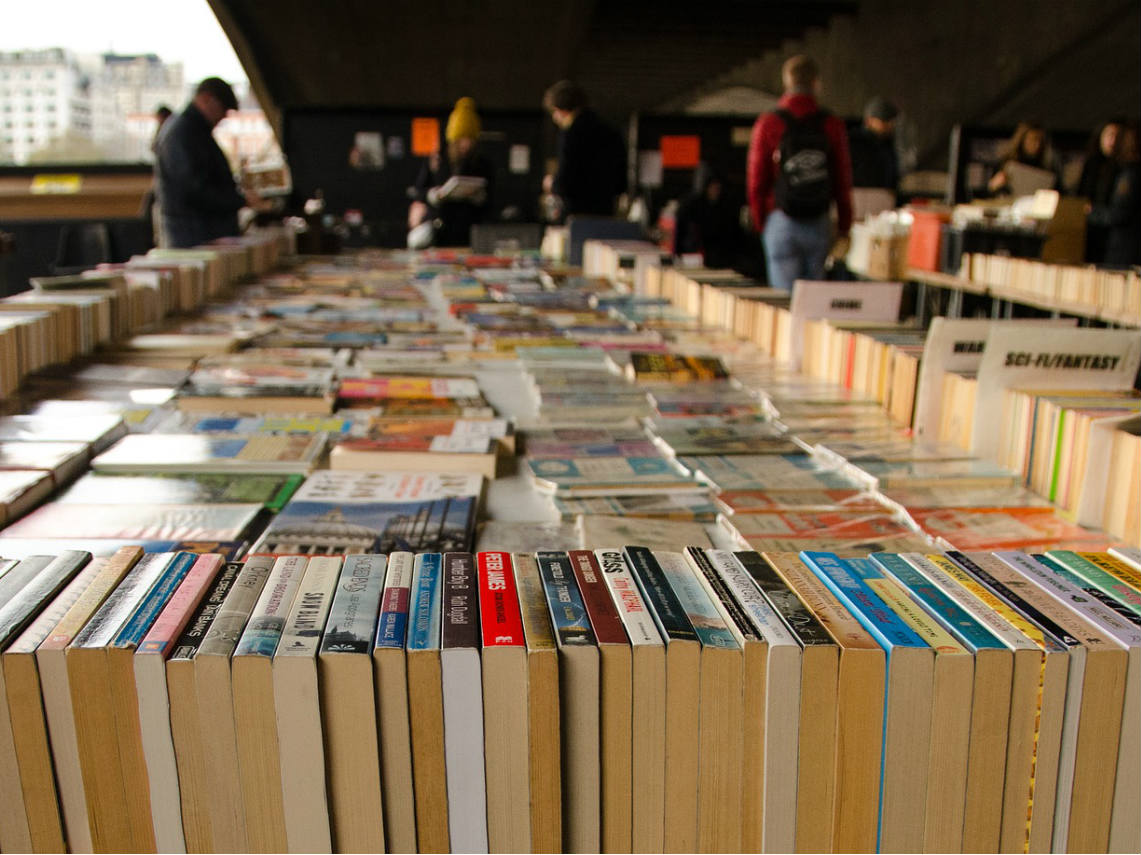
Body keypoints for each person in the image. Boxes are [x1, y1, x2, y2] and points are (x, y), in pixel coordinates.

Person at [746, 55, 853, 291]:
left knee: (784, 305)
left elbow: (756, 179)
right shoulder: (832, 124)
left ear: (786, 82)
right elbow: (842, 179)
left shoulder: (769, 123)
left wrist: (761, 221)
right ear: (816, 83)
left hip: (781, 218)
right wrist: (844, 224)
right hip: (818, 220)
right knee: (812, 302)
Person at [154, 78, 265, 249]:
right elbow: (194, 189)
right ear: (207, 99)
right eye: (223, 110)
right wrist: (238, 201)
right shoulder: (182, 133)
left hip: (200, 234)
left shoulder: (193, 130)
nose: (222, 118)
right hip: (194, 238)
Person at [408, 97, 495, 248]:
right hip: (439, 228)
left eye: (470, 139)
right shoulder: (436, 158)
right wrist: (433, 195)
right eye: (462, 139)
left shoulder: (481, 164)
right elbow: (419, 189)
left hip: (468, 230)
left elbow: (493, 197)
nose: (466, 145)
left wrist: (480, 198)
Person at [542, 80, 627, 220]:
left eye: (554, 112)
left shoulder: (571, 133)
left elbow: (565, 179)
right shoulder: (610, 130)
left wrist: (552, 184)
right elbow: (621, 180)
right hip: (606, 211)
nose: (554, 118)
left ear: (562, 109)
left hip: (577, 213)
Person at [1088, 121, 1140, 267]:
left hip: (1124, 251)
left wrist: (1092, 212)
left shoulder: (1130, 175)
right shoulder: (1126, 172)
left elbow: (1120, 214)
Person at [673, 162, 743, 269]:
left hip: (719, 258)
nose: (716, 191)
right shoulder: (690, 206)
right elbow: (681, 234)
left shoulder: (725, 207)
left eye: (718, 187)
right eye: (713, 186)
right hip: (693, 257)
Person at [1077, 118, 1124, 262]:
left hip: (1112, 239)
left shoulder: (1126, 171)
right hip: (1087, 235)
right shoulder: (1091, 166)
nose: (1113, 141)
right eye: (1109, 135)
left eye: (1118, 136)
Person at [986, 121, 1061, 196]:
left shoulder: (1047, 168)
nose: (1037, 145)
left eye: (1040, 141)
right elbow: (989, 191)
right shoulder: (1006, 164)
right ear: (1022, 140)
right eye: (1033, 139)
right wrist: (993, 185)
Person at [848, 96, 900, 196]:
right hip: (859, 198)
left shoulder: (888, 144)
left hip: (884, 198)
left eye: (891, 122)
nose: (889, 126)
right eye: (884, 122)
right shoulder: (853, 143)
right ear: (869, 121)